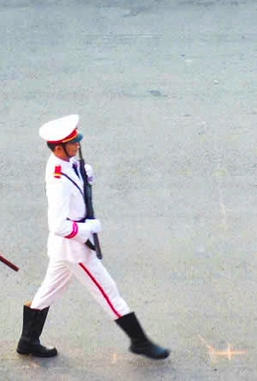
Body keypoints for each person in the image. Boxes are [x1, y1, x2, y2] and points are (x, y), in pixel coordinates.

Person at [16, 116, 170, 361]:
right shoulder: (58, 180)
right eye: (72, 143)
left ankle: (27, 341)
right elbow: (58, 225)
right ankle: (139, 342)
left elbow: (74, 180)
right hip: (74, 250)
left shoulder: (67, 164)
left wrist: (82, 175)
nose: (77, 145)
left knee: (47, 293)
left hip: (64, 251)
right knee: (109, 292)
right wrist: (87, 229)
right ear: (58, 148)